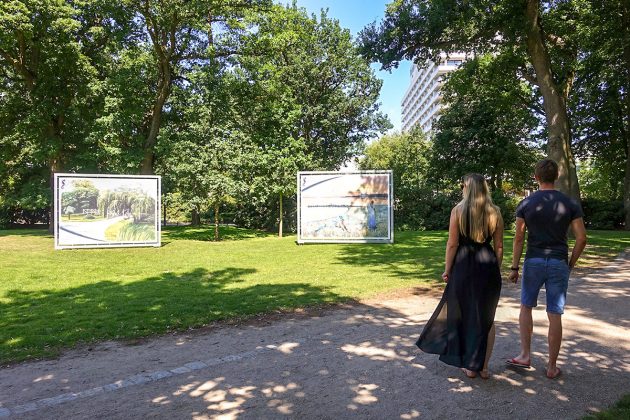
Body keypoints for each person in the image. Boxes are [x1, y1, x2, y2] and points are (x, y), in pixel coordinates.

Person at [417, 173, 503, 379]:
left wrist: (447, 269)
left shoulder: (458, 210)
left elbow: (452, 243)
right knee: (486, 318)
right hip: (488, 265)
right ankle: (483, 367)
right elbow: (499, 246)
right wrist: (495, 269)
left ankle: (469, 365)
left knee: (464, 314)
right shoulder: (495, 212)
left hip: (464, 265)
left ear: (467, 187)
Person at [507, 159, 587, 379]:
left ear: (536, 177)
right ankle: (552, 367)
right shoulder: (570, 203)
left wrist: (514, 267)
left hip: (533, 261)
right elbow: (581, 238)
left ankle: (525, 355)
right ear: (557, 176)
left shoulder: (525, 203)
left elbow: (519, 237)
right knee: (555, 314)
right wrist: (570, 263)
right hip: (558, 262)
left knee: (526, 306)